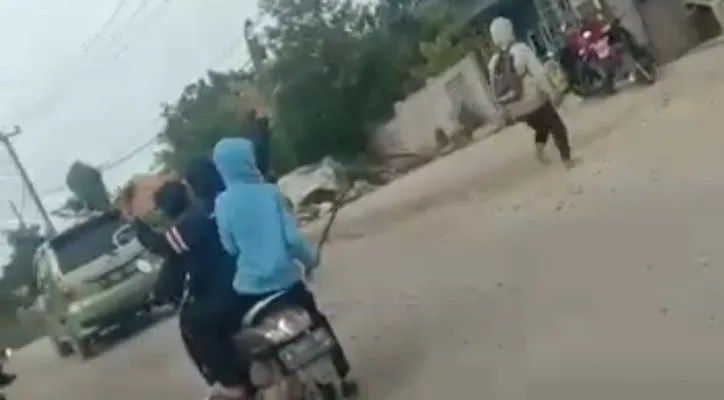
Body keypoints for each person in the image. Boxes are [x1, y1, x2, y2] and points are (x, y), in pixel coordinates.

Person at [212, 137, 358, 397]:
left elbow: (230, 247)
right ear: (249, 162)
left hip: (251, 292)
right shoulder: (269, 192)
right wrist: (310, 260)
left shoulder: (223, 203)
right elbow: (292, 240)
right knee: (315, 324)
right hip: (287, 283)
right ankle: (341, 375)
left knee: (263, 343)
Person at [122, 162, 248, 399]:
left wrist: (136, 221)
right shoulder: (218, 208)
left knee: (195, 322)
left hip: (227, 292)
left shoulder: (187, 227)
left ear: (165, 210)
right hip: (253, 281)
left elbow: (160, 247)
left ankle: (233, 382)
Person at [488, 17, 578, 169]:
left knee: (541, 125)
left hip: (515, 109)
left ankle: (540, 148)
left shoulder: (493, 61)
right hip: (533, 101)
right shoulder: (521, 50)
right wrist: (552, 92)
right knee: (557, 126)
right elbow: (539, 75)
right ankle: (567, 160)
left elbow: (494, 90)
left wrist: (503, 111)